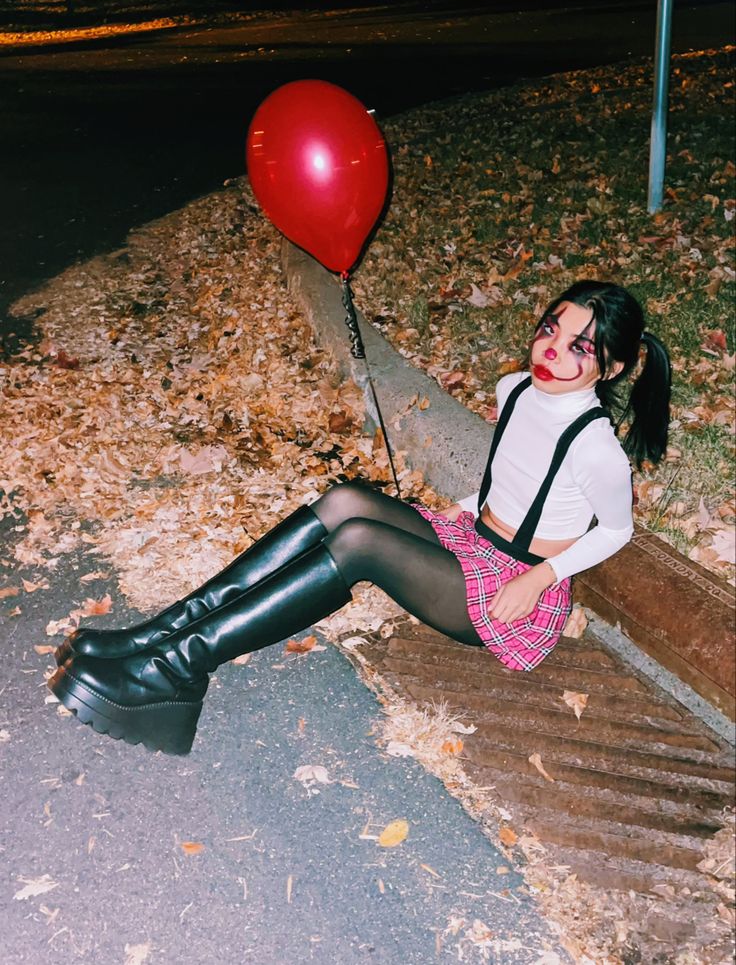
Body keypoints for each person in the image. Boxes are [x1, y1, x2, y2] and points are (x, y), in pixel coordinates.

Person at [48, 280, 671, 755]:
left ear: (611, 368)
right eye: (549, 331)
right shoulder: (515, 388)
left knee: (361, 543)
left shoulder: (597, 448)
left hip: (511, 596)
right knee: (346, 499)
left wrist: (540, 578)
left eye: (578, 349)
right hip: (470, 541)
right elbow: (514, 468)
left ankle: (179, 669)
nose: (550, 351)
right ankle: (163, 633)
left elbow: (617, 531)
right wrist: (464, 510)